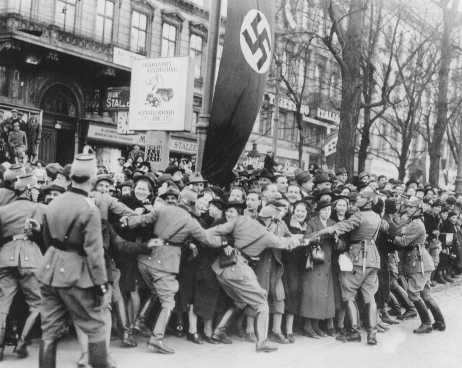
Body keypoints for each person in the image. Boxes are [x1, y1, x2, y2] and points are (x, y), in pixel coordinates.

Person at [37, 153, 111, 368]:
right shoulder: (89, 209)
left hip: (50, 269)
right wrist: (101, 285)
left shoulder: (54, 202)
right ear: (93, 178)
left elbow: (47, 239)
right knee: (96, 327)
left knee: (49, 330)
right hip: (76, 273)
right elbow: (94, 253)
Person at [316, 190, 383, 345]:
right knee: (369, 296)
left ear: (368, 201)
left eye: (360, 197)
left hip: (358, 257)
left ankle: (353, 331)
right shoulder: (377, 216)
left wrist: (321, 232)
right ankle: (372, 333)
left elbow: (342, 226)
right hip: (373, 258)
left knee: (348, 294)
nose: (357, 199)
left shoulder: (359, 215)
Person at [0, 174, 45, 360]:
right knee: (39, 303)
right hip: (30, 258)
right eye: (35, 189)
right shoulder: (40, 208)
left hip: (5, 257)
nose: (37, 192)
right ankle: (22, 343)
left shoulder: (3, 210)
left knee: (2, 304)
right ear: (28, 190)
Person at [392, 197, 445, 333]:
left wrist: (392, 236)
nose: (408, 209)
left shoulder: (416, 224)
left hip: (419, 263)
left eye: (411, 207)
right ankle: (439, 321)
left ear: (418, 209)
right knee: (425, 295)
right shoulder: (413, 222)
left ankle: (427, 323)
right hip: (420, 261)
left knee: (413, 293)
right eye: (408, 207)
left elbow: (403, 242)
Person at [300, 199, 336, 339]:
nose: (326, 212)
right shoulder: (312, 222)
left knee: (322, 296)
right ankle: (307, 325)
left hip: (327, 262)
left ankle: (316, 325)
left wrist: (337, 239)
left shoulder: (333, 223)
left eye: (328, 210)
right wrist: (321, 235)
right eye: (324, 210)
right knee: (312, 294)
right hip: (315, 261)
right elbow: (307, 238)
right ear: (319, 211)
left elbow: (339, 244)